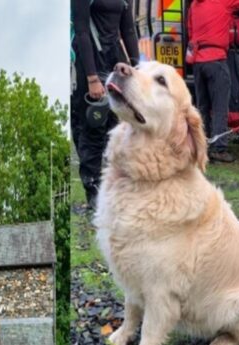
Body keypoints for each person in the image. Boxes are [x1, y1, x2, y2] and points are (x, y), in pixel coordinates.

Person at [71, 0, 139, 210]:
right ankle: (92, 189)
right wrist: (92, 78)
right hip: (89, 56)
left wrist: (137, 68)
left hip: (114, 56)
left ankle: (115, 185)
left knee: (116, 125)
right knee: (93, 123)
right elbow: (81, 31)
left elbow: (128, 30)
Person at [186, 0, 239, 163]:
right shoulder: (221, 2)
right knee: (220, 106)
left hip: (198, 62)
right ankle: (219, 148)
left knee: (202, 106)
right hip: (217, 60)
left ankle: (201, 146)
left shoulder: (193, 6)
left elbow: (190, 32)